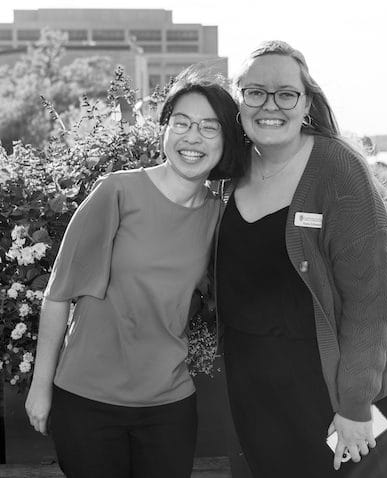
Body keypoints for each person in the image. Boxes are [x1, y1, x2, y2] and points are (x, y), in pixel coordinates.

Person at [25, 69, 246, 478]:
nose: (191, 137)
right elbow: (58, 295)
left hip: (169, 406)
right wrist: (41, 388)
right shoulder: (118, 191)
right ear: (164, 129)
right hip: (87, 402)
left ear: (227, 140)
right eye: (181, 122)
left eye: (208, 127)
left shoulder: (220, 218)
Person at [215, 40, 387, 478]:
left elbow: (371, 304)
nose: (271, 105)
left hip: (333, 387)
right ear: (238, 100)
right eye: (255, 92)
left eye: (286, 93)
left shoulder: (339, 172)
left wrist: (356, 406)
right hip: (253, 382)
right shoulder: (230, 167)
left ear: (306, 103)